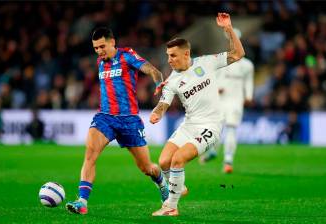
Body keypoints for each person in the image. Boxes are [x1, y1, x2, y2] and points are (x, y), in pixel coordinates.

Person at [149, 13, 245, 216]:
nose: (169, 60)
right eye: (168, 56)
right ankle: (179, 186)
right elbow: (163, 104)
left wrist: (228, 29)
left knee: (178, 160)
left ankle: (171, 207)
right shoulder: (172, 80)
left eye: (173, 55)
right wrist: (156, 114)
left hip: (210, 126)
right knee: (164, 161)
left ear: (186, 54)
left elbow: (237, 54)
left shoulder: (206, 62)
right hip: (189, 125)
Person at [66, 27, 168, 215]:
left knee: (146, 168)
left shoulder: (126, 55)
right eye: (96, 48)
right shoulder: (100, 62)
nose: (99, 51)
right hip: (105, 117)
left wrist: (158, 83)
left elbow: (153, 71)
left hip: (129, 120)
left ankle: (161, 181)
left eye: (102, 46)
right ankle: (82, 201)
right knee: (90, 154)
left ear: (112, 42)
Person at [199, 28, 254, 174]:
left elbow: (248, 82)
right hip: (220, 100)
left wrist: (248, 96)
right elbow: (212, 79)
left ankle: (228, 160)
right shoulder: (220, 60)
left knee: (231, 129)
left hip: (236, 101)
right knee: (215, 128)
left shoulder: (247, 65)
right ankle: (212, 151)